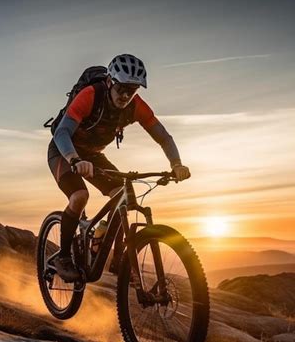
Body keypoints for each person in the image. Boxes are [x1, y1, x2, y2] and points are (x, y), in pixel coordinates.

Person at [47, 54, 191, 282]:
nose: (125, 95)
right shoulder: (91, 95)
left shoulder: (135, 106)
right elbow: (62, 132)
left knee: (122, 196)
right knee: (79, 196)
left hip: (93, 156)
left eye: (132, 90)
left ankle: (114, 256)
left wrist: (177, 164)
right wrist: (74, 160)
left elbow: (164, 137)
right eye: (122, 88)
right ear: (110, 82)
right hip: (64, 151)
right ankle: (63, 257)